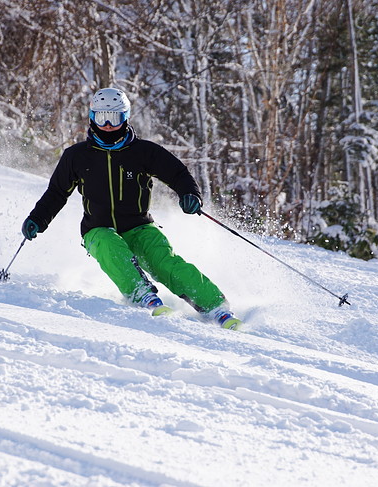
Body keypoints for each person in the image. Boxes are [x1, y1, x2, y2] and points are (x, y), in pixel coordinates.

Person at [21, 87, 242, 330]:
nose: (106, 125)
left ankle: (216, 307)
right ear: (91, 117)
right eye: (100, 117)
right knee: (110, 247)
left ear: (125, 117)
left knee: (165, 263)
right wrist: (37, 219)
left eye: (114, 118)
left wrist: (190, 194)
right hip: (97, 229)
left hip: (139, 227)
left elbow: (178, 173)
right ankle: (143, 295)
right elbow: (56, 193)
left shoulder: (143, 152)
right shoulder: (77, 156)